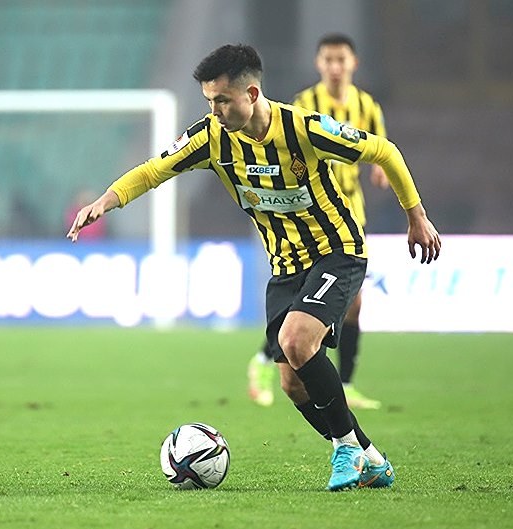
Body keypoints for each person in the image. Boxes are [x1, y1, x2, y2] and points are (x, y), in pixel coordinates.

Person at [67, 44, 440, 491]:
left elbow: (384, 151)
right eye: (210, 101)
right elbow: (152, 171)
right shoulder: (212, 137)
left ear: (252, 93)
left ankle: (345, 449)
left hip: (337, 251)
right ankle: (371, 458)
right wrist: (105, 201)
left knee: (296, 340)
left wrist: (416, 216)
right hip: (285, 266)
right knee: (292, 383)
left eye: (223, 100)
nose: (215, 111)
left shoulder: (303, 128)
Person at [248, 33, 389, 410]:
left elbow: (378, 148)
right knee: (306, 304)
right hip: (311, 219)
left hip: (351, 214)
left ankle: (346, 382)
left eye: (341, 59)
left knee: (352, 302)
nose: (335, 66)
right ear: (319, 64)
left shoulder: (367, 106)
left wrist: (380, 170)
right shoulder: (304, 105)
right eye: (328, 59)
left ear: (353, 63)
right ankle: (264, 360)